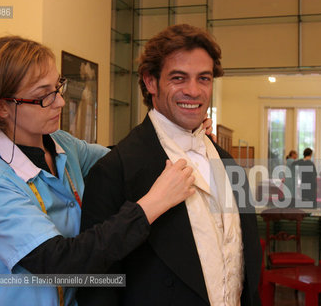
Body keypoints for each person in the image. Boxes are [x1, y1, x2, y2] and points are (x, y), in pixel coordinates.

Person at [0, 36, 206, 306]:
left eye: (58, 87)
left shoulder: (63, 145)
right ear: (2, 106)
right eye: (44, 96)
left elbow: (122, 161)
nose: (60, 103)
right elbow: (59, 262)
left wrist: (180, 137)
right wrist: (151, 206)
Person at [78, 24, 262, 306]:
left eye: (204, 78)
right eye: (179, 78)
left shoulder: (227, 162)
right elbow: (97, 285)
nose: (194, 91)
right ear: (151, 82)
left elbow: (241, 261)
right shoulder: (114, 170)